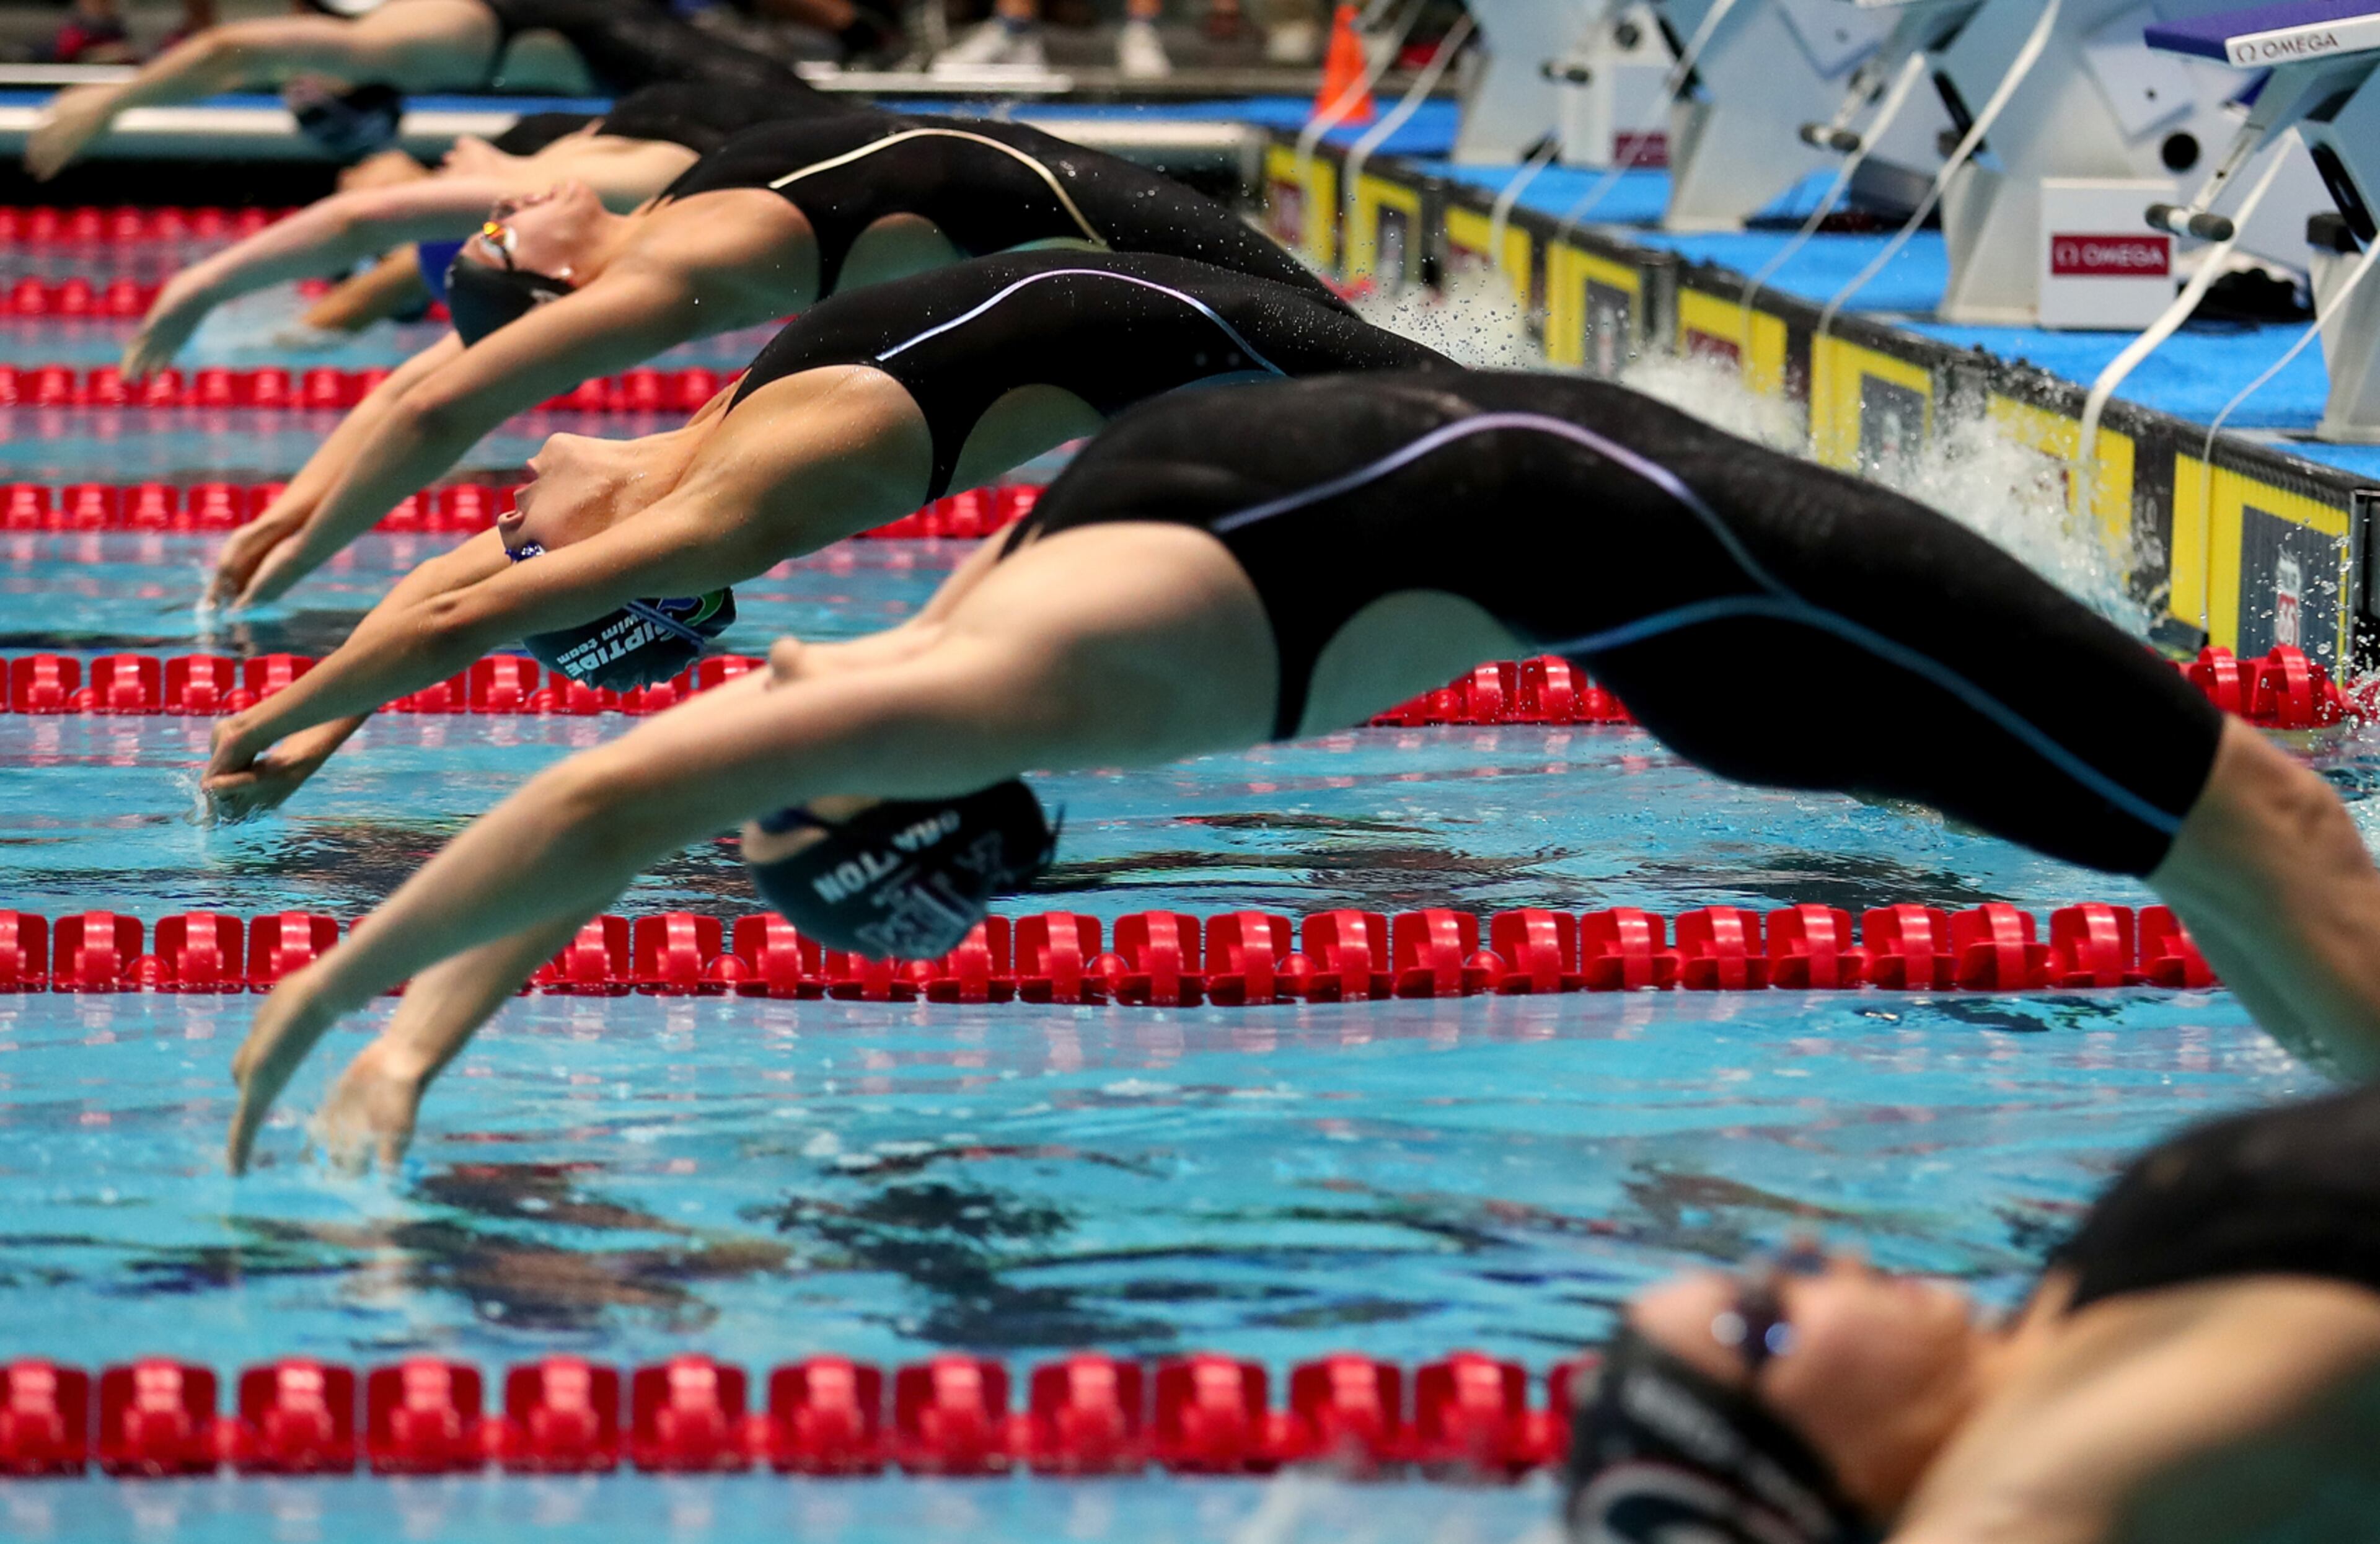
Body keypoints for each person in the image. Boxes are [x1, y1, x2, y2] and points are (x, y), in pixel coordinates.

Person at [220, 368, 2380, 1173]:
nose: (737, 711)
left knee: (2225, 862)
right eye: (780, 758)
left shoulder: (979, 630)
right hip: (1735, 601)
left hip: (1690, 600)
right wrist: (351, 1013)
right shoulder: (1018, 682)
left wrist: (406, 1031)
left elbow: (636, 816)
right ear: (870, 782)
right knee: (2259, 822)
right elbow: (617, 802)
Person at [197, 248, 1454, 817]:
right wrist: (281, 727)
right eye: (532, 541)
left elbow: (448, 597)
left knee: (1492, 418)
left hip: (1164, 308)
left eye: (512, 528)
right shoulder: (707, 524)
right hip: (1200, 342)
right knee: (1489, 447)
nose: (504, 513)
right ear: (596, 573)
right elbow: (474, 614)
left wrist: (308, 727)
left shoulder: (674, 468)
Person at [195, 111, 1344, 611]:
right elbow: (438, 402)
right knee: (1340, 366)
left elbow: (421, 362)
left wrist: (297, 506)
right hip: (1076, 230)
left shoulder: (652, 207)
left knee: (1332, 357)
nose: (502, 206)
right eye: (501, 234)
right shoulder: (647, 276)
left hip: (1063, 222)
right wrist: (292, 548)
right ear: (555, 286)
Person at [1568, 1080, 2380, 1544]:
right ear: (1815, 1484)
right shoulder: (2027, 1485)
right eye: (1759, 1320)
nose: (1806, 1246)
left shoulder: (2052, 1354)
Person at [122, 81, 881, 368]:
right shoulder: (560, 193)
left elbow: (364, 220)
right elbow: (364, 219)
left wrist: (206, 289)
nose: (356, 167)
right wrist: (203, 291)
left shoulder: (540, 185)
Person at [24, 0, 842, 182]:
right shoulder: (408, 41)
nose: (295, 71)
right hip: (736, 95)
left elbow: (240, 46)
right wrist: (115, 102)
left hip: (734, 96)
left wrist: (113, 101)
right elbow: (242, 49)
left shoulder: (415, 39)